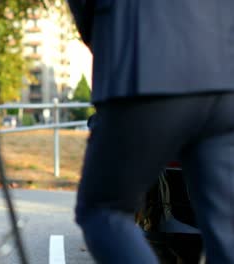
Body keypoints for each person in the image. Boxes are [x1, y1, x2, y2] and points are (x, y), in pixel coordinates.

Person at [67, 1, 234, 263]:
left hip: (146, 64)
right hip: (224, 75)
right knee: (226, 229)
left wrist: (106, 40)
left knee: (103, 209)